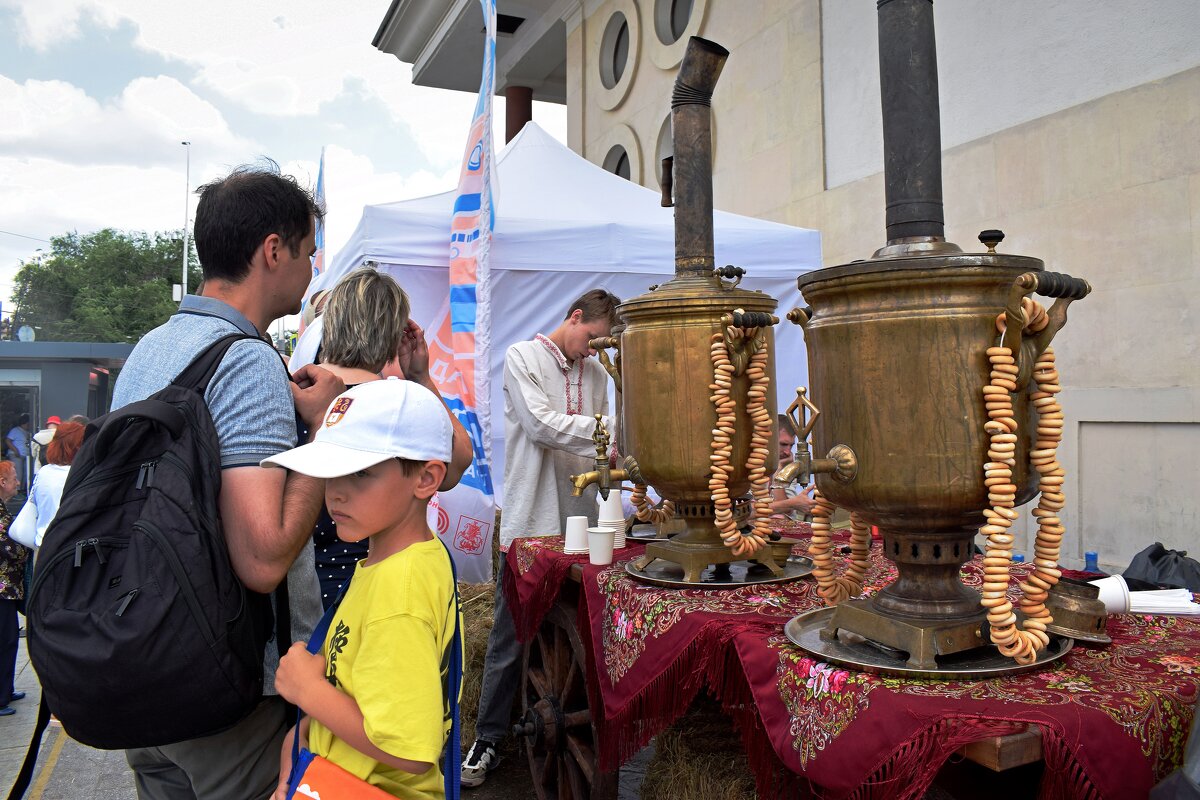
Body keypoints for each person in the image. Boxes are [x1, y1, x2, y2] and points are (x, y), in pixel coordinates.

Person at [111, 161, 345, 800]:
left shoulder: (152, 347)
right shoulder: (245, 362)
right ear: (273, 252)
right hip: (222, 699)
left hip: (141, 668)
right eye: (307, 253)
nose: (312, 270)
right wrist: (326, 430)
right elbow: (263, 558)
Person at [267, 379, 461, 799]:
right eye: (330, 471)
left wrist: (307, 690)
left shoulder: (399, 593)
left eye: (359, 472)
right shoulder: (400, 561)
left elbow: (408, 749)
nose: (335, 492)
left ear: (426, 478)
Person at [462, 289, 619, 788]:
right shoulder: (521, 357)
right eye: (592, 338)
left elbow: (599, 452)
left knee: (579, 636)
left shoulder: (596, 374)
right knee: (510, 636)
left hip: (581, 525)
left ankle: (578, 728)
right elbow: (542, 426)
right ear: (574, 317)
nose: (593, 351)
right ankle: (486, 739)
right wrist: (614, 429)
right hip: (531, 523)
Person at [303, 268, 472, 607]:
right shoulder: (396, 406)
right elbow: (456, 465)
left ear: (330, 323)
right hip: (387, 586)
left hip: (305, 594)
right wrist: (421, 377)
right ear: (393, 335)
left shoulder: (298, 394)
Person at [10, 421, 84, 551]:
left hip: (42, 547)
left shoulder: (44, 472)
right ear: (78, 446)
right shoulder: (80, 474)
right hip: (68, 551)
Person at [0, 461, 29, 717]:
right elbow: (12, 549)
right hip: (2, 590)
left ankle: (6, 689)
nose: (17, 483)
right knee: (4, 641)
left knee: (9, 640)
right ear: (3, 483)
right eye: (14, 478)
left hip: (6, 589)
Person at [770, 414, 816, 520]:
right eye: (783, 444)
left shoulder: (788, 466)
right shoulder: (751, 464)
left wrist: (778, 470)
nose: (788, 452)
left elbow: (786, 510)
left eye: (791, 445)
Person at [5, 414, 31, 492]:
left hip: (26, 456)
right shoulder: (15, 430)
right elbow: (7, 440)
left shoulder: (27, 432)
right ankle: (16, 491)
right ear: (25, 423)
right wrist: (15, 450)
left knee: (25, 474)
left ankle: (21, 490)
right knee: (18, 474)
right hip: (16, 455)